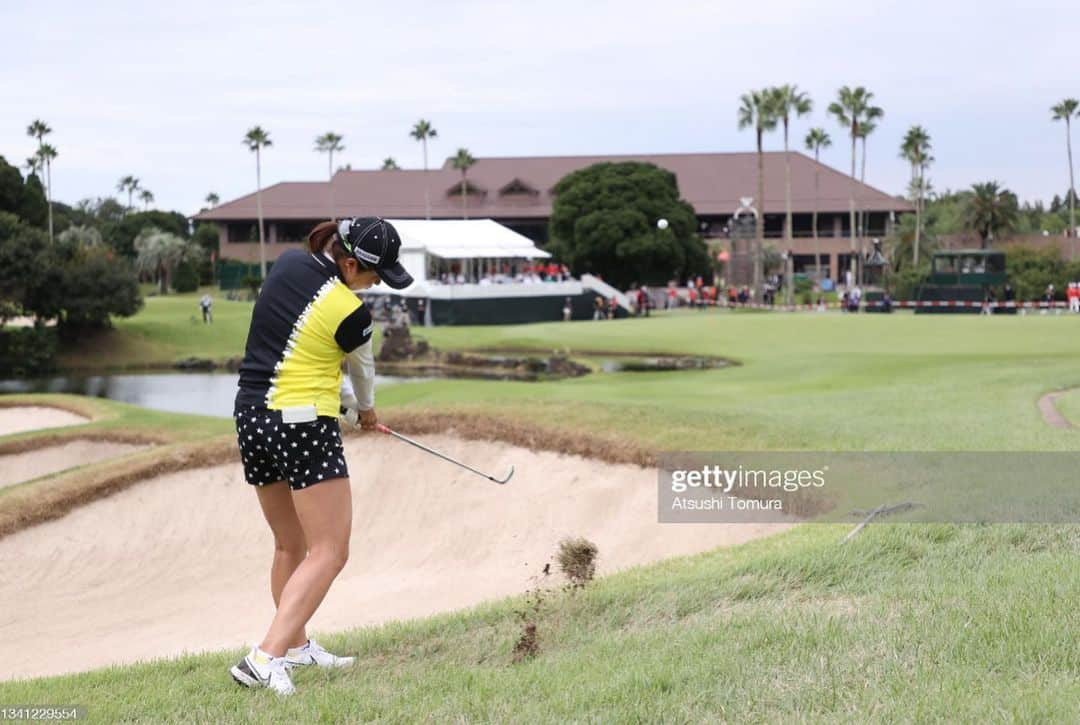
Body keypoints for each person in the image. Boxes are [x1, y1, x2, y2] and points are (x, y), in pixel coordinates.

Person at [229, 217, 413, 696]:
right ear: (351, 263)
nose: (374, 286)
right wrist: (367, 412)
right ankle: (264, 657)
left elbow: (295, 353)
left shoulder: (288, 263)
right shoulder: (350, 312)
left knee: (289, 546)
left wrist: (347, 407)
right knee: (330, 550)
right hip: (302, 426)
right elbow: (362, 375)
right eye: (374, 275)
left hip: (251, 418)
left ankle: (294, 646)